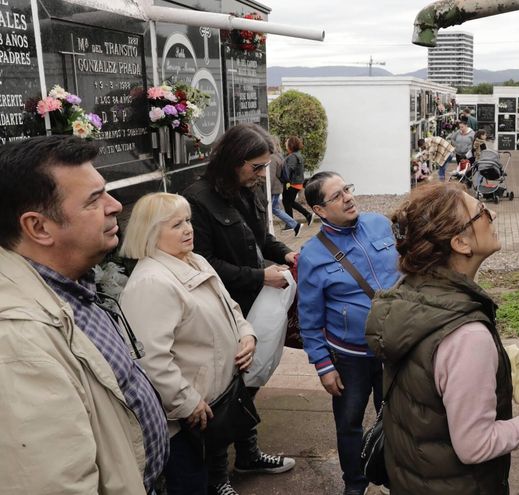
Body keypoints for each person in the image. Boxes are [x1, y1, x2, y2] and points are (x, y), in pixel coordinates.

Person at [365, 182, 519, 494]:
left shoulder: (413, 294)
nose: (494, 213)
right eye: (482, 212)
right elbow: (474, 445)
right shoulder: (467, 336)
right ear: (460, 242)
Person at [0, 135, 167, 494]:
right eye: (94, 200)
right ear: (39, 227)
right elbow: (54, 484)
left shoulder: (67, 285)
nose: (116, 206)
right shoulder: (17, 340)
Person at [119, 193, 258, 495]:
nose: (188, 229)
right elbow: (151, 359)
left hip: (213, 404)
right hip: (184, 421)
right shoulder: (151, 283)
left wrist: (246, 334)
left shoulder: (197, 260)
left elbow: (230, 308)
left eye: (188, 221)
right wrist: (186, 401)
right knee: (190, 483)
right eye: (176, 225)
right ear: (151, 232)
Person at [182, 123, 295, 495]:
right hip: (221, 308)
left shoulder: (247, 190)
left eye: (265, 167)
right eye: (256, 167)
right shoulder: (198, 199)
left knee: (248, 384)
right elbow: (204, 262)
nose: (262, 175)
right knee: (224, 391)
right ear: (233, 160)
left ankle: (248, 453)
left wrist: (285, 253)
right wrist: (260, 276)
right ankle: (217, 477)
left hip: (253, 304)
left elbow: (262, 237)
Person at [298, 171, 400, 495]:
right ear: (319, 210)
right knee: (349, 425)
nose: (348, 197)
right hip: (349, 357)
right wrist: (323, 367)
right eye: (337, 196)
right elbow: (309, 319)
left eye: (347, 189)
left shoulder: (379, 224)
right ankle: (354, 484)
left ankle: (397, 476)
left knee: (400, 419)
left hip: (396, 348)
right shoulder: (312, 256)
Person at [268, 136, 303, 235]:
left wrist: (266, 190)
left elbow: (270, 176)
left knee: (274, 209)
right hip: (279, 188)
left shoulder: (273, 158)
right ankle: (295, 225)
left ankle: (295, 224)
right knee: (276, 208)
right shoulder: (280, 156)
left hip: (274, 189)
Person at [281, 136, 314, 229]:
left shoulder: (292, 156)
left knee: (287, 201)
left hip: (291, 183)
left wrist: (285, 180)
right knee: (289, 202)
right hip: (297, 183)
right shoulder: (298, 155)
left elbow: (289, 170)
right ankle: (305, 216)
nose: (285, 144)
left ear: (291, 145)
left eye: (287, 143)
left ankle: (292, 222)